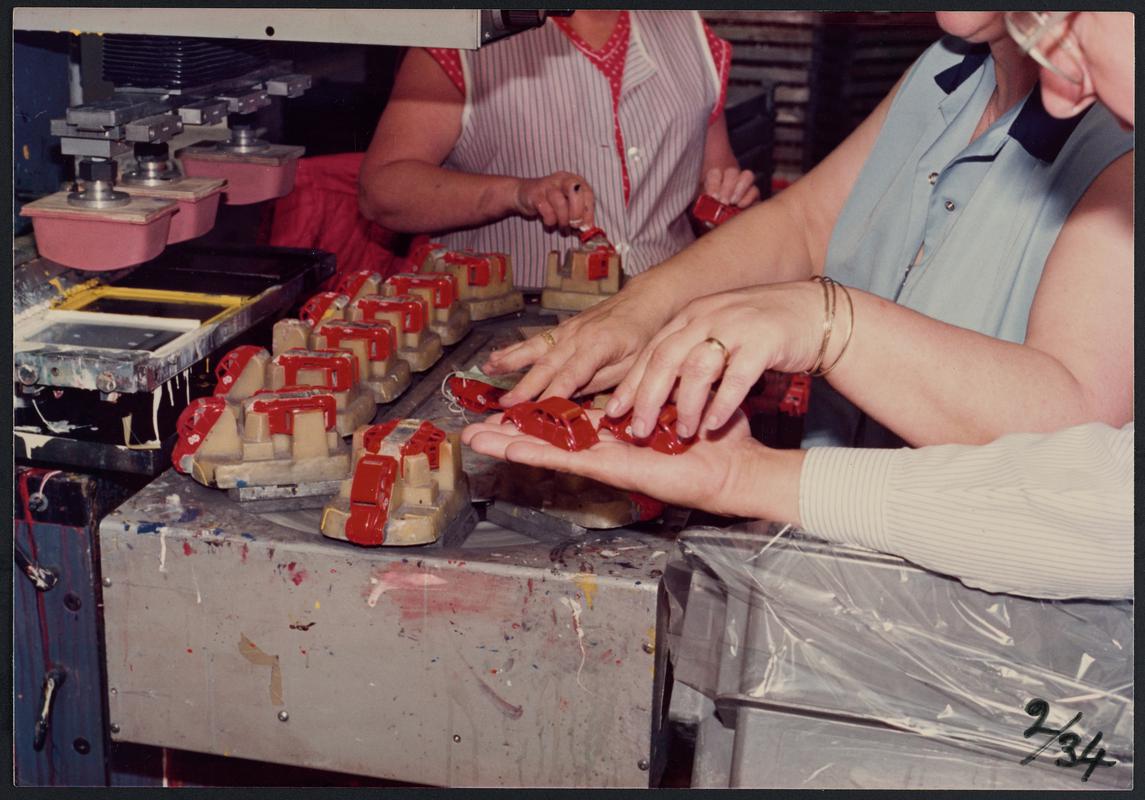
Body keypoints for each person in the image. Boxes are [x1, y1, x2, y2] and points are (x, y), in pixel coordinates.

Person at [463, 11, 1134, 601]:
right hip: (847, 530)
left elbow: (1079, 439)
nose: (1064, 79)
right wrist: (642, 308)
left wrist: (831, 323)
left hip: (1001, 601)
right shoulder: (949, 70)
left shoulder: (1115, 135)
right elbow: (808, 223)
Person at [358, 10, 759, 290]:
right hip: (504, 328)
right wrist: (516, 193)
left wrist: (726, 200)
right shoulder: (462, 39)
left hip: (664, 320)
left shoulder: (691, 33)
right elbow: (383, 190)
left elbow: (714, 176)